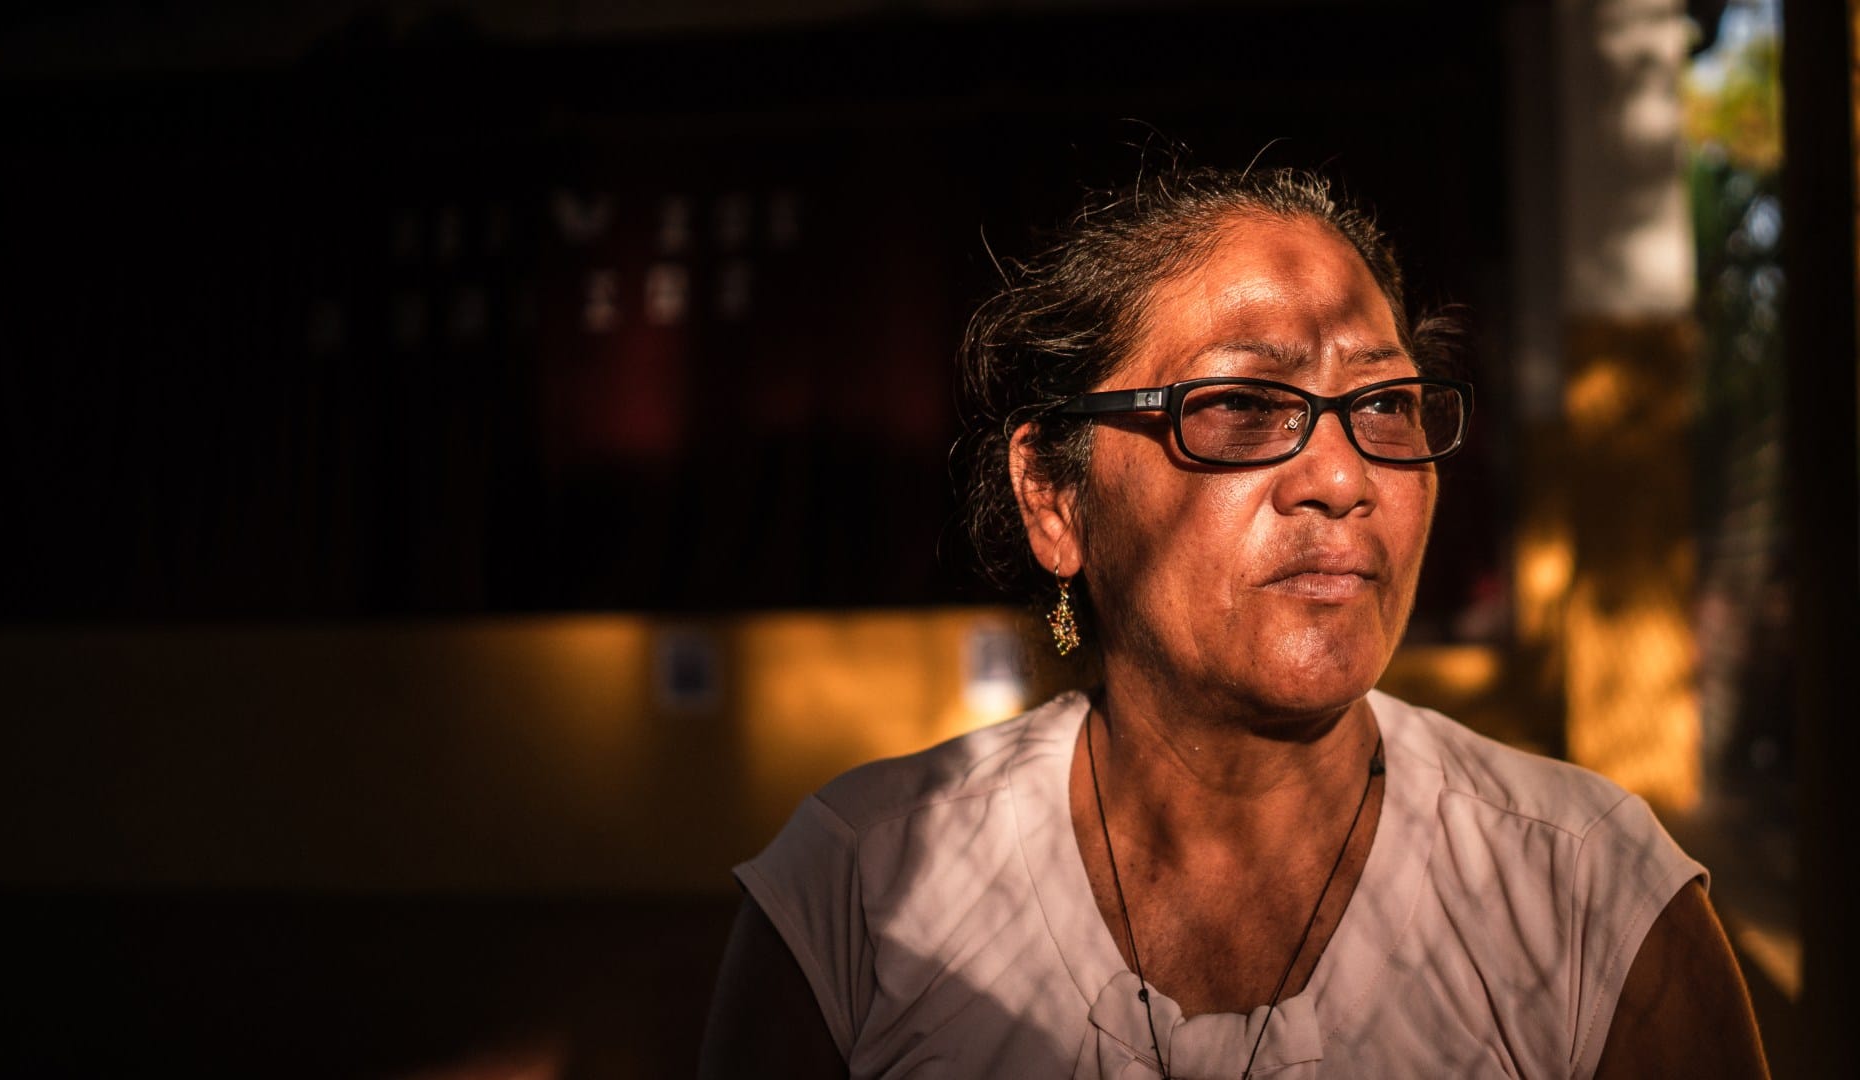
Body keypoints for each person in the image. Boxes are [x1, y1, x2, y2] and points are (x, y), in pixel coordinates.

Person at [699, 166, 1767, 1078]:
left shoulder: (1591, 906)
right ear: (1055, 498)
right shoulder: (862, 895)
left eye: (1385, 404)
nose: (1342, 478)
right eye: (1243, 407)